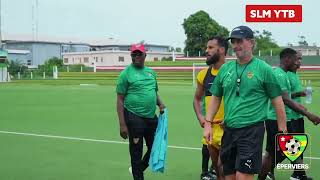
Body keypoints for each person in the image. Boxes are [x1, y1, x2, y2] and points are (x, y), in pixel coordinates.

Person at [203, 25, 287, 180]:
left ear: (251, 42)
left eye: (239, 41)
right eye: (233, 42)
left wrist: (282, 129)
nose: (235, 46)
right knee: (229, 176)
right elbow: (215, 97)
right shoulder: (225, 69)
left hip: (251, 131)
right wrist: (208, 123)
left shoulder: (264, 69)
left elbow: (277, 100)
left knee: (243, 177)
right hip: (229, 131)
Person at [259, 48, 320, 180]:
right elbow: (285, 99)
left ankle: (299, 174)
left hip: (282, 119)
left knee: (288, 149)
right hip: (275, 119)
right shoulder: (279, 75)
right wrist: (308, 114)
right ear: (287, 59)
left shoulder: (284, 74)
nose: (298, 62)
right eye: (296, 59)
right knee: (274, 153)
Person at [116, 44, 165, 180]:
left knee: (155, 147)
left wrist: (160, 103)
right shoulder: (125, 74)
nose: (136, 57)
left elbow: (153, 92)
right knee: (136, 151)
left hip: (151, 117)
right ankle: (138, 176)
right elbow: (120, 100)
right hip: (133, 117)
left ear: (145, 55)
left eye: (139, 54)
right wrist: (122, 124)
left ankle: (139, 168)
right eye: (134, 54)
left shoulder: (151, 73)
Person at [193, 36, 228, 180]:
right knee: (218, 172)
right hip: (211, 130)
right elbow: (197, 99)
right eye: (207, 47)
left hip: (229, 129)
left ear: (221, 50)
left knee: (223, 167)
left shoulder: (232, 72)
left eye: (210, 48)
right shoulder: (203, 75)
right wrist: (201, 118)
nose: (206, 51)